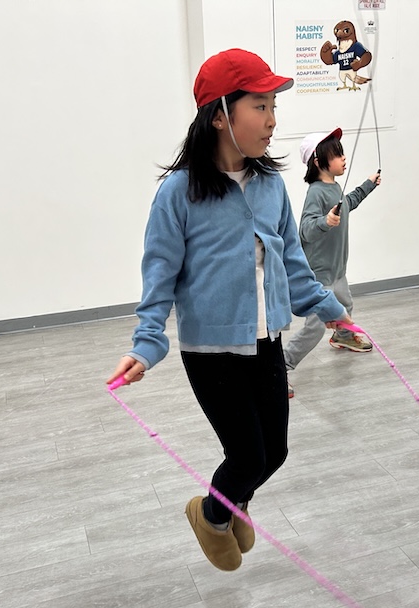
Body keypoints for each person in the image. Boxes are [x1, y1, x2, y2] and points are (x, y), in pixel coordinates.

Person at [106, 49, 351, 572]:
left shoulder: (271, 187)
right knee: (247, 456)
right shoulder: (179, 193)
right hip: (211, 351)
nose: (272, 119)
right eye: (259, 106)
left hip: (267, 340)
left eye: (273, 107)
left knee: (275, 452)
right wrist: (146, 346)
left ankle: (230, 503)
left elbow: (293, 262)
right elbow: (159, 276)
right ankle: (212, 515)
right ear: (219, 115)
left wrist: (331, 309)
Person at [282, 127, 380, 398]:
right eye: (337, 154)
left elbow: (348, 203)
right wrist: (324, 222)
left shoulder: (335, 187)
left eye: (342, 153)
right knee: (314, 328)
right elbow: (305, 229)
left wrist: (368, 185)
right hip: (319, 275)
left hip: (337, 270)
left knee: (346, 304)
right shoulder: (316, 192)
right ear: (318, 161)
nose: (343, 158)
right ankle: (280, 366)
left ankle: (343, 336)